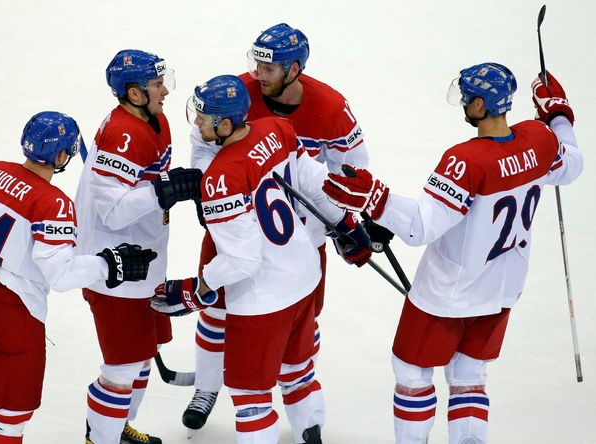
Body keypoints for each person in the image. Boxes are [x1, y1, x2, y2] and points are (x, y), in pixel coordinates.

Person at [322, 64, 583, 443]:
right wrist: (558, 115)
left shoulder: (466, 160)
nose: (462, 102)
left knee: (411, 372)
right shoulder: (540, 139)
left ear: (480, 104)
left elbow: (421, 227)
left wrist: (375, 199)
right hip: (502, 289)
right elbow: (572, 164)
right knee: (469, 376)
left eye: (465, 97)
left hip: (447, 295)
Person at [153, 74, 372, 444]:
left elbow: (242, 260)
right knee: (298, 369)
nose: (197, 123)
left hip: (262, 301)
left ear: (225, 124)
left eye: (204, 118)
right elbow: (316, 183)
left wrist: (196, 289)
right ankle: (310, 428)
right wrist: (345, 223)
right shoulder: (277, 130)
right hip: (304, 276)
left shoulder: (221, 179)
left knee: (252, 399)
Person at [0, 111, 157, 444]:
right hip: (10, 318)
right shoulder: (52, 203)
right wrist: (109, 265)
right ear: (60, 156)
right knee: (7, 422)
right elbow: (61, 274)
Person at [74, 49, 202, 444]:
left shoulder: (153, 119)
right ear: (133, 93)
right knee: (122, 367)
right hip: (116, 269)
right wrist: (163, 191)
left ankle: (118, 429)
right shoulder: (122, 135)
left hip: (143, 260)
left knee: (140, 359)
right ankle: (102, 438)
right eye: (156, 84)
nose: (165, 90)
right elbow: (111, 212)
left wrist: (161, 190)